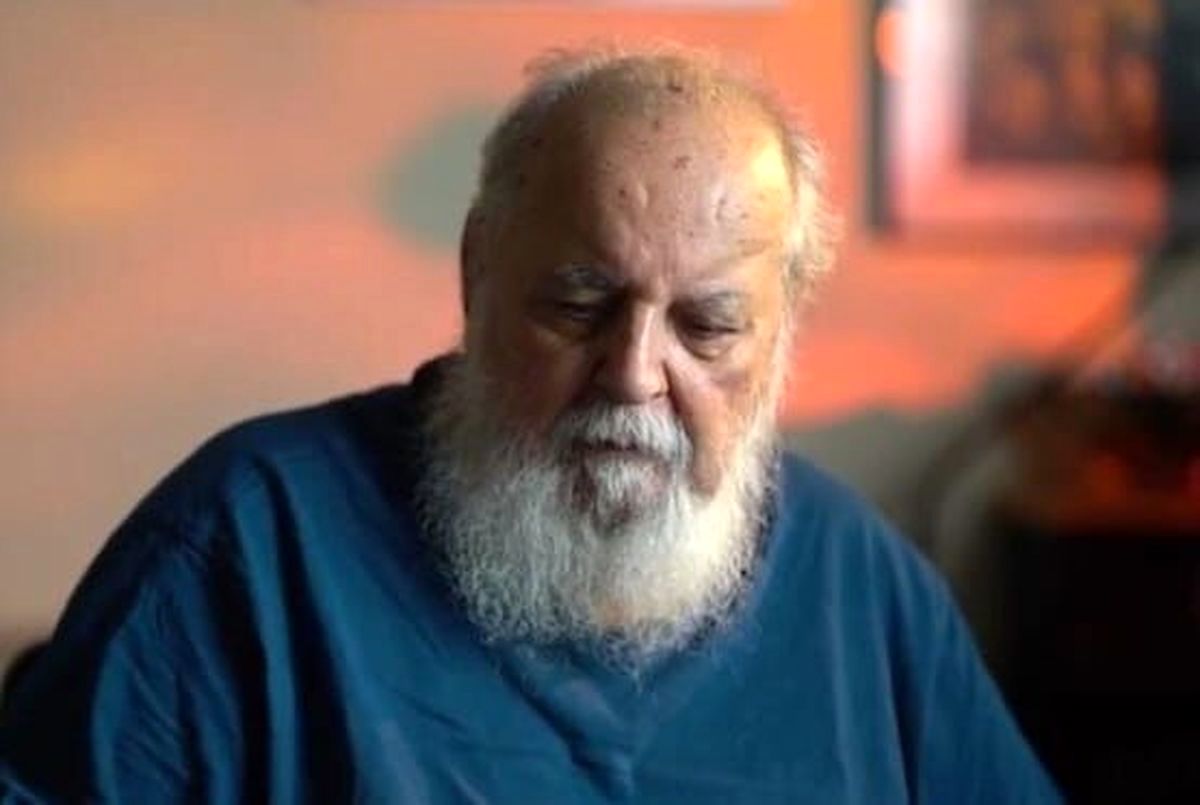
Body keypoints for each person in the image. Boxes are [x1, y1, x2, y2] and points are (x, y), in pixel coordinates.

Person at [0, 47, 1061, 803]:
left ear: (780, 334)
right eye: (579, 304)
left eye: (706, 326)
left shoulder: (862, 588)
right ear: (478, 274)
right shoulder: (244, 545)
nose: (633, 375)